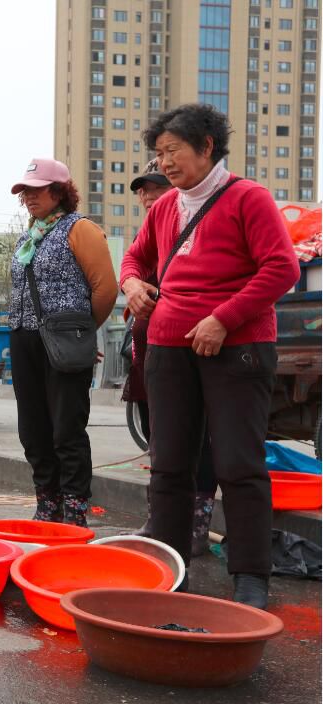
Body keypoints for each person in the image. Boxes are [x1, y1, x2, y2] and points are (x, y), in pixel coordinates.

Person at [120, 103, 299, 608]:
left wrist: (224, 318)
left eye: (173, 151)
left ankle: (250, 577)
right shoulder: (162, 208)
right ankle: (172, 570)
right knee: (170, 465)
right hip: (168, 349)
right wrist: (132, 282)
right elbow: (135, 257)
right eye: (159, 154)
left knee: (238, 464)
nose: (165, 163)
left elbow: (280, 268)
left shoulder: (248, 198)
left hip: (237, 348)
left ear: (206, 147)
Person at [8, 158, 118, 527]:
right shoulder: (28, 236)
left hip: (63, 340)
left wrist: (82, 332)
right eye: (25, 192)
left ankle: (74, 507)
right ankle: (47, 500)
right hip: (24, 338)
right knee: (33, 427)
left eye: (37, 190)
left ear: (59, 191)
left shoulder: (80, 228)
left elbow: (105, 289)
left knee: (66, 428)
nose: (29, 198)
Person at [124, 160, 219, 556]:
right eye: (143, 190)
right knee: (158, 439)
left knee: (202, 441)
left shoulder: (205, 227)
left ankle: (196, 521)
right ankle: (161, 520)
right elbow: (130, 265)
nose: (147, 196)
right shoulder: (152, 234)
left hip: (196, 348)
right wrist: (132, 285)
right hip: (151, 352)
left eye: (155, 187)